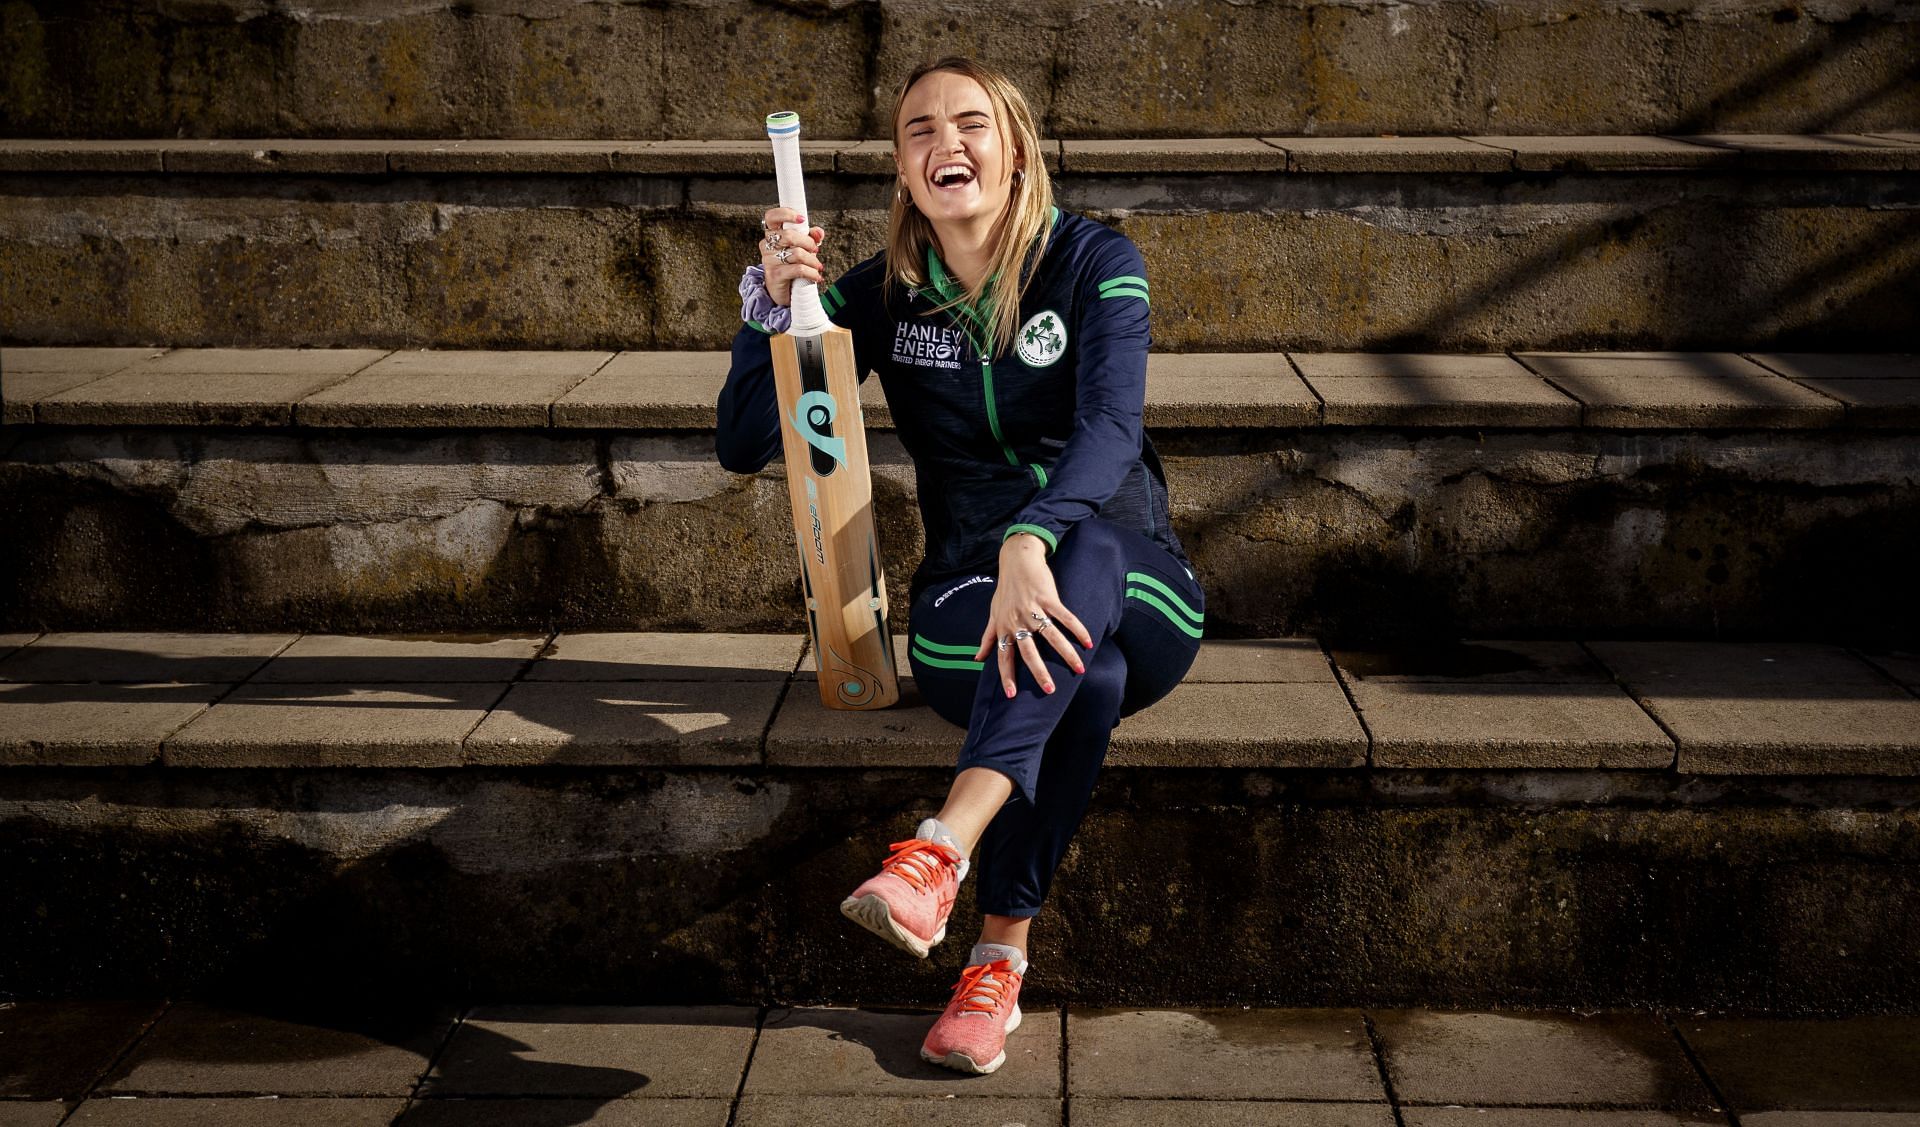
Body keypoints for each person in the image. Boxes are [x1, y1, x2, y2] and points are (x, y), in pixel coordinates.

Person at [715, 56, 1205, 1075]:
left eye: (973, 124)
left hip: (1131, 574)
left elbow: (1113, 429)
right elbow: (746, 440)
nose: (950, 144)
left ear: (1015, 148)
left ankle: (941, 846)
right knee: (1088, 678)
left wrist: (1034, 537)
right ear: (901, 169)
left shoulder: (1095, 260)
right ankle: (995, 959)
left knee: (1094, 558)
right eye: (922, 130)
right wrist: (771, 308)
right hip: (968, 600)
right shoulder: (887, 295)